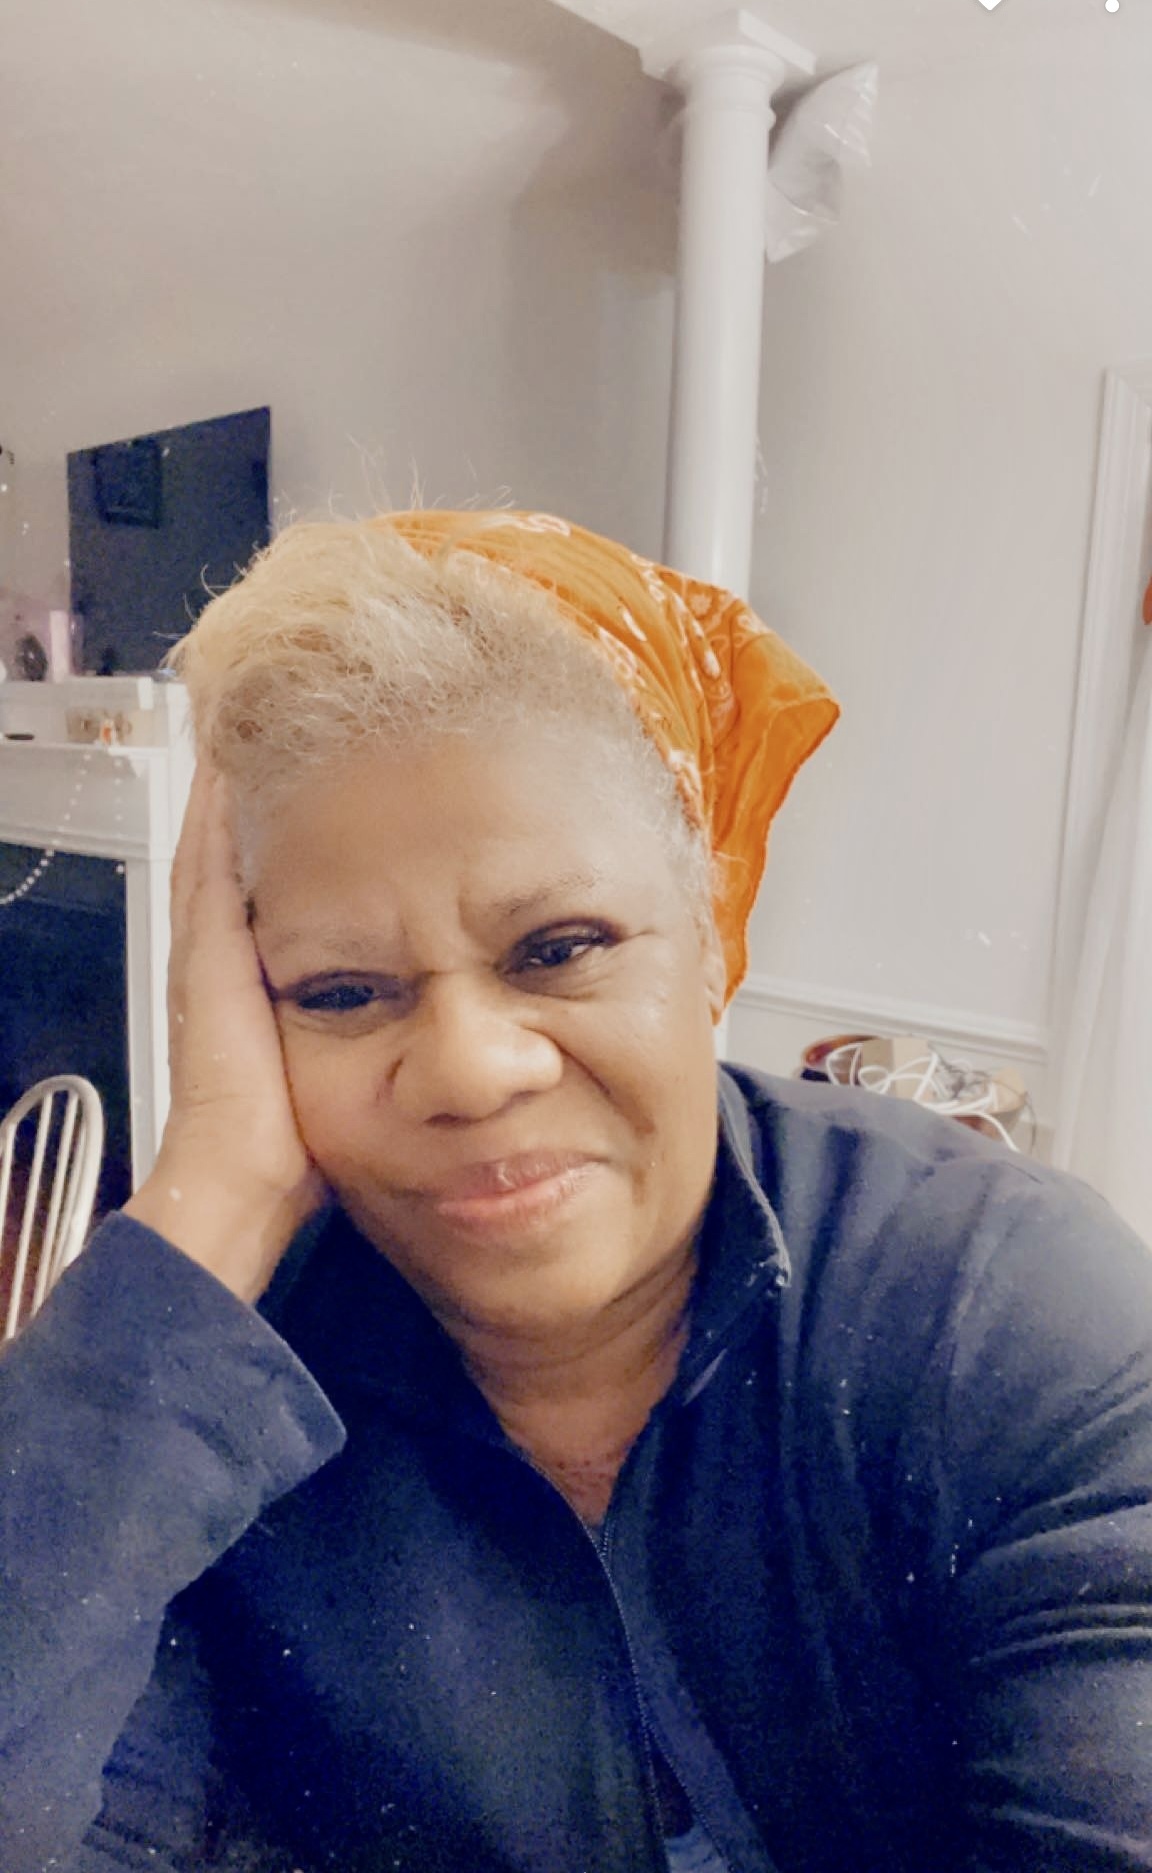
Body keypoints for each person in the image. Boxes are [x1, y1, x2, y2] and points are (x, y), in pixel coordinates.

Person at [1, 510, 1150, 1873]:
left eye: (558, 947)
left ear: (711, 928)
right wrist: (211, 1197)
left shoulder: (1000, 1309)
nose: (470, 1070)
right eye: (342, 990)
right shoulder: (200, 1414)